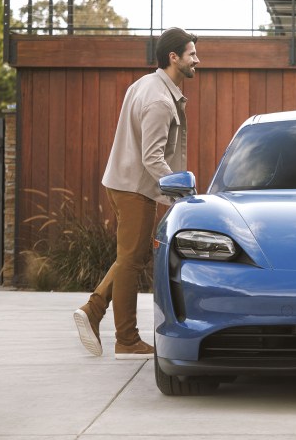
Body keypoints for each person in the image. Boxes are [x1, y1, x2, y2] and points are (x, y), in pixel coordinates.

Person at [73, 27, 199, 359]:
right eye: (191, 54)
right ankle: (126, 339)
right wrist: (179, 190)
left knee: (134, 256)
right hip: (136, 187)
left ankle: (94, 308)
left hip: (124, 182)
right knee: (132, 261)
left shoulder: (144, 84)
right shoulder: (159, 99)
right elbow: (152, 157)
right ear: (174, 58)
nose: (196, 60)